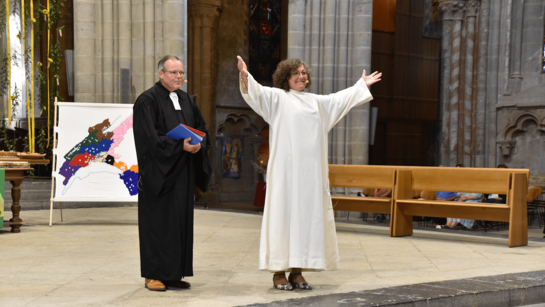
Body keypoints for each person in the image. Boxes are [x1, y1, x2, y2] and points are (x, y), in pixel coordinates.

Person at [237, 55, 381, 291]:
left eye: (304, 72)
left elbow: (338, 100)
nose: (302, 76)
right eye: (296, 73)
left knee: (305, 220)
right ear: (286, 77)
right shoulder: (278, 98)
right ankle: (278, 272)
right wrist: (246, 77)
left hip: (310, 176)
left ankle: (297, 271)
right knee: (283, 218)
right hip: (285, 175)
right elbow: (257, 93)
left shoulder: (316, 102)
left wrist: (360, 86)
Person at [133, 55, 212, 291]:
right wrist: (180, 146)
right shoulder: (147, 101)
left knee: (179, 224)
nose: (179, 77)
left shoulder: (186, 100)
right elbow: (149, 140)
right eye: (173, 72)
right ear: (161, 74)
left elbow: (201, 128)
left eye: (181, 73)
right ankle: (152, 274)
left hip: (183, 173)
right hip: (160, 176)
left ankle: (173, 273)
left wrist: (199, 143)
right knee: (157, 224)